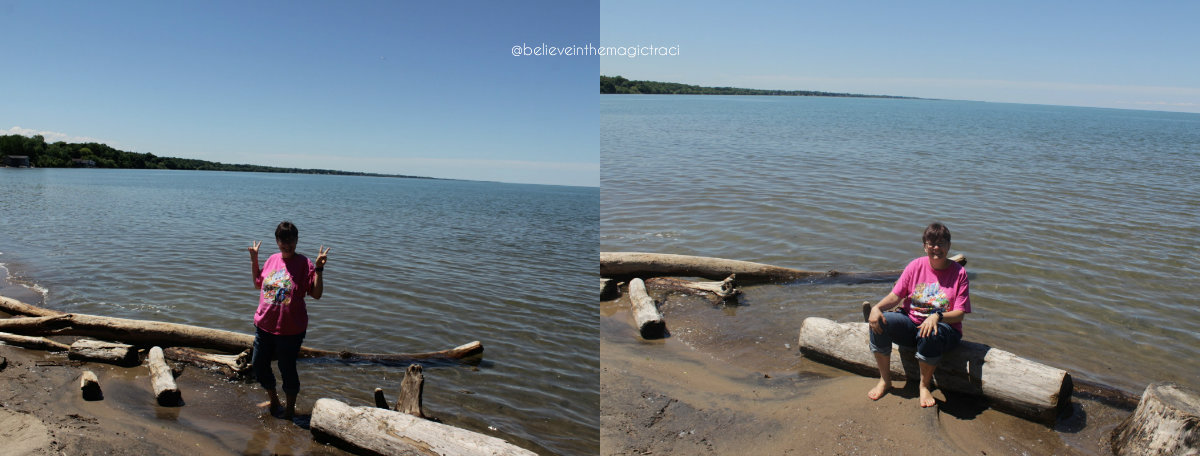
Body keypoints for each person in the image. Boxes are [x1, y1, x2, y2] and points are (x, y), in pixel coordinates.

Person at [865, 222, 970, 408]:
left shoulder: (959, 273)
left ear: (949, 246)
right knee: (880, 322)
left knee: (930, 332)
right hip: (911, 322)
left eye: (941, 243)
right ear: (925, 246)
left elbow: (960, 314)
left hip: (944, 329)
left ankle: (924, 386)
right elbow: (895, 296)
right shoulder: (915, 266)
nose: (936, 248)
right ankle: (885, 380)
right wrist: (877, 308)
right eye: (932, 243)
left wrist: (937, 317)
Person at [247, 221, 329, 419]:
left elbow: (316, 294)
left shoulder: (304, 264)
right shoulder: (272, 259)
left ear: (297, 240)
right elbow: (258, 284)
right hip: (264, 325)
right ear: (277, 241)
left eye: (291, 240)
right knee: (258, 364)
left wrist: (319, 269)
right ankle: (274, 400)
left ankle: (290, 409)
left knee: (287, 369)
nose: (287, 245)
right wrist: (254, 260)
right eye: (283, 241)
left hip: (291, 330)